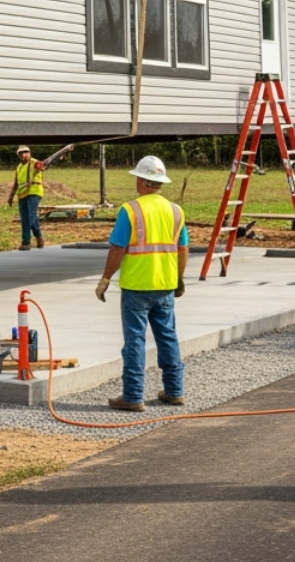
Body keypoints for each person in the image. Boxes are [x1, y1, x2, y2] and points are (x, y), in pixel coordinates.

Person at [94, 155, 189, 411]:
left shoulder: (131, 210)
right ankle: (174, 391)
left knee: (135, 340)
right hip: (165, 285)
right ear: (159, 182)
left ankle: (133, 396)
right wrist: (178, 278)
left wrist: (105, 279)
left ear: (141, 181)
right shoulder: (175, 211)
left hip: (137, 287)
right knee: (167, 337)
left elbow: (117, 248)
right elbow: (182, 249)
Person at [7, 145, 48, 250]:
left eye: (26, 152)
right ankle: (32, 240)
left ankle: (32, 239)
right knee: (25, 219)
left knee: (31, 217)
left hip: (34, 192)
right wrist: (11, 197)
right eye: (21, 153)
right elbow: (16, 183)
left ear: (29, 153)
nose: (24, 154)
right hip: (22, 194)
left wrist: (42, 167)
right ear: (19, 155)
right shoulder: (19, 167)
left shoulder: (35, 162)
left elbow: (42, 167)